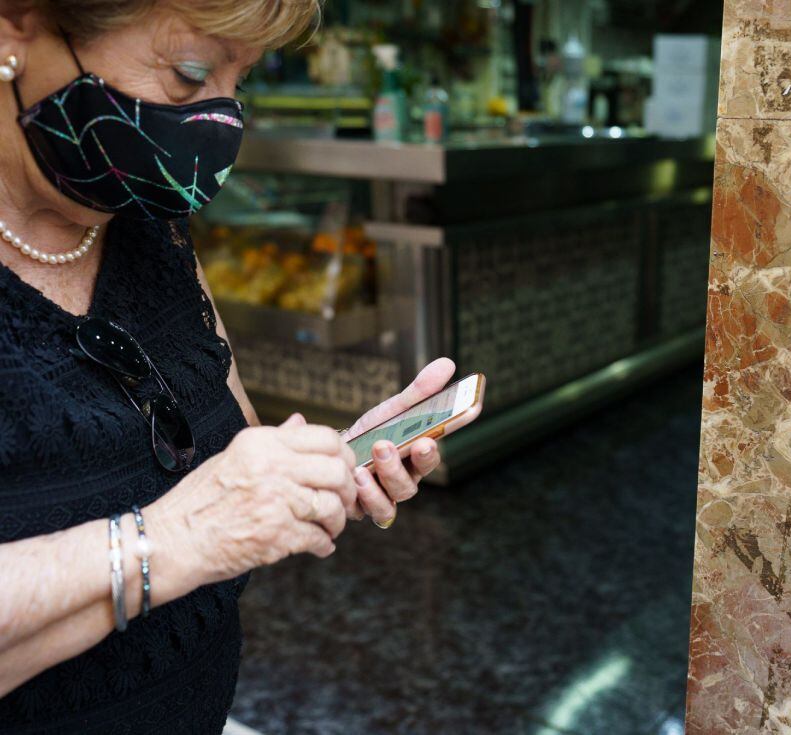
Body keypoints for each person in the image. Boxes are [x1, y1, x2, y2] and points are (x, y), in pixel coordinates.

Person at [0, 1, 454, 731]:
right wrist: (176, 540)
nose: (218, 124)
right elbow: (193, 522)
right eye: (189, 74)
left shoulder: (150, 225)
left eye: (239, 84)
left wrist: (320, 467)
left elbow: (225, 448)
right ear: (16, 23)